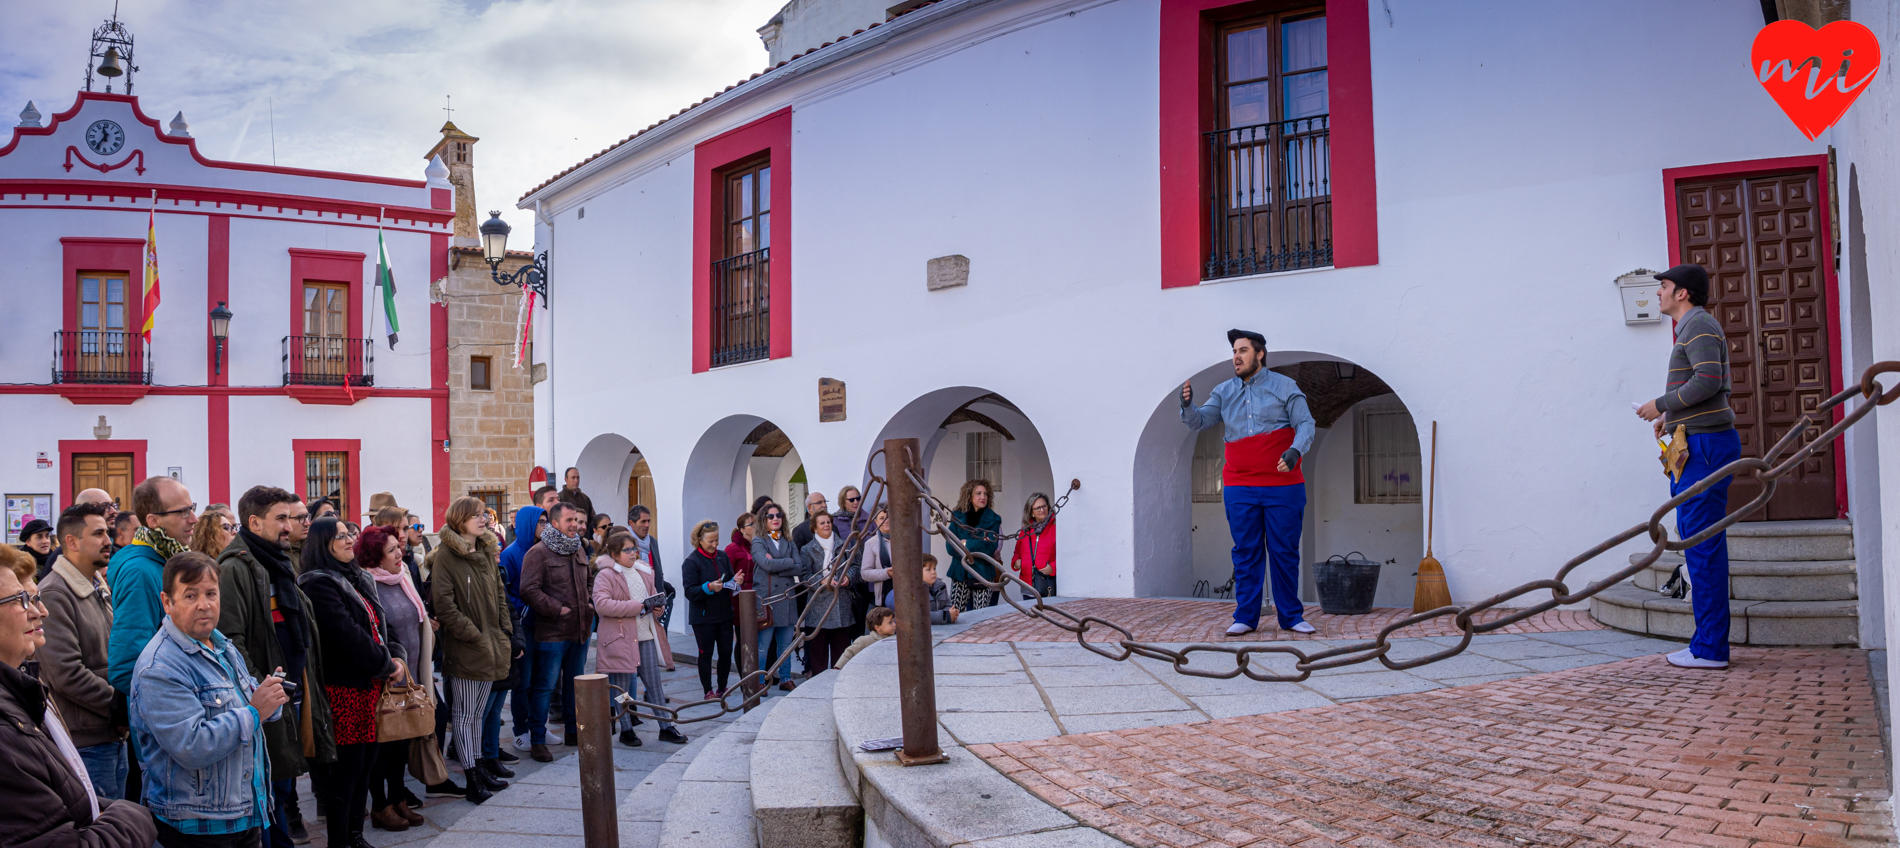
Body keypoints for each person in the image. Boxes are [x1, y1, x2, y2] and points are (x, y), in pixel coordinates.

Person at [0, 548, 158, 847]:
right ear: (73, 541)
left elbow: (71, 799)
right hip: (92, 734)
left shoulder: (21, 691)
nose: (39, 611)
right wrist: (133, 815)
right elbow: (68, 672)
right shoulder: (7, 727)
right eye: (22, 600)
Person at [131, 551, 289, 848]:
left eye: (211, 593)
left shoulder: (220, 644)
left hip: (242, 810)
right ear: (167, 602)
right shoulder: (160, 667)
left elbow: (249, 702)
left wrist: (271, 697)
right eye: (190, 596)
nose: (204, 604)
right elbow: (192, 746)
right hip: (198, 825)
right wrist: (256, 711)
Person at [1635, 264, 1741, 670]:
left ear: (1682, 293)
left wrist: (1660, 404)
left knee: (1702, 546)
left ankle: (1711, 649)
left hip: (1705, 448)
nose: (1658, 293)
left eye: (1662, 286)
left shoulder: (1697, 324)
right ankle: (1704, 643)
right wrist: (1672, 418)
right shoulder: (1694, 325)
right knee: (1698, 545)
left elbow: (1709, 381)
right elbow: (1700, 388)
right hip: (1697, 441)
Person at [1182, 329, 1318, 636]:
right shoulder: (1224, 391)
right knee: (1246, 550)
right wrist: (1188, 407)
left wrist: (1296, 450)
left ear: (1260, 354)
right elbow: (1201, 421)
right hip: (1239, 485)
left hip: (1283, 485)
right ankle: (1245, 616)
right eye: (1234, 351)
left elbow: (1305, 423)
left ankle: (1292, 617)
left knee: (1284, 551)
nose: (1236, 357)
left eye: (1242, 350)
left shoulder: (1285, 386)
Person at [217, 487, 330, 848]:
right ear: (254, 522)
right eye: (280, 518)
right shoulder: (235, 567)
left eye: (289, 517)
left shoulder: (278, 559)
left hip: (290, 690)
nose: (288, 526)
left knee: (281, 781)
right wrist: (258, 691)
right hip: (265, 699)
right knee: (269, 788)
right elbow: (231, 638)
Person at [299, 518, 403, 848]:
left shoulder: (355, 576)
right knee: (347, 771)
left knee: (366, 765)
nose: (349, 541)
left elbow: (382, 621)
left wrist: (396, 655)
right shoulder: (317, 583)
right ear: (322, 544)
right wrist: (385, 664)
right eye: (340, 537)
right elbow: (347, 635)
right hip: (343, 688)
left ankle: (356, 836)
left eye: (348, 535)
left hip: (368, 684)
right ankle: (340, 842)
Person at [107, 475, 199, 805]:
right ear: (153, 521)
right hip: (162, 726)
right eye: (184, 511)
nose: (194, 518)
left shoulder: (163, 559)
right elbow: (126, 663)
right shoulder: (141, 570)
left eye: (193, 507)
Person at [38, 502, 127, 803]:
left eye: (107, 532)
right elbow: (65, 672)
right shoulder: (55, 593)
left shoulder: (95, 586)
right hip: (85, 742)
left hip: (110, 734)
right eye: (98, 533)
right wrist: (117, 704)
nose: (108, 540)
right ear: (72, 542)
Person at [428, 497, 512, 797]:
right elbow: (445, 605)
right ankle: (472, 778)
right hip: (467, 647)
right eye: (475, 515)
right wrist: (476, 635)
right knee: (464, 716)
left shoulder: (487, 551)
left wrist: (504, 630)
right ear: (459, 520)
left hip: (490, 643)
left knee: (477, 715)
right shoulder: (446, 556)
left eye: (484, 515)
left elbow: (499, 593)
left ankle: (479, 768)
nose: (483, 520)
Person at [360, 524, 439, 831]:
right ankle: (381, 805)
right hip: (386, 675)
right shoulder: (368, 582)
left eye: (399, 547)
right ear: (375, 554)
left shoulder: (403, 575)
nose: (400, 552)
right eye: (392, 549)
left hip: (412, 670)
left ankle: (398, 798)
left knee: (404, 740)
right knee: (385, 744)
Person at [592, 532, 686, 747]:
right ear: (615, 554)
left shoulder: (644, 572)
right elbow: (602, 605)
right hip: (621, 639)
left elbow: (652, 597)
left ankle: (666, 726)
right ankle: (626, 729)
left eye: (634, 549)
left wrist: (657, 607)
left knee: (654, 685)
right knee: (622, 689)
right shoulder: (606, 575)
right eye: (627, 550)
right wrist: (638, 607)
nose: (633, 553)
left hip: (645, 636)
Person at [520, 502, 593, 762]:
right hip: (552, 634)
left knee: (577, 686)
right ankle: (538, 740)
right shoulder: (538, 553)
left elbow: (589, 580)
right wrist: (556, 609)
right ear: (554, 523)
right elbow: (528, 590)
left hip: (580, 631)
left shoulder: (579, 548)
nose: (575, 524)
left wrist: (590, 602)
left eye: (576, 519)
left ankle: (574, 732)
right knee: (545, 687)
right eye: (569, 520)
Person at [498, 505, 544, 754]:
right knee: (523, 682)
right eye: (541, 522)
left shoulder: (544, 551)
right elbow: (505, 592)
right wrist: (526, 608)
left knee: (541, 681)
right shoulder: (510, 554)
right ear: (528, 524)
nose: (545, 527)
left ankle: (539, 728)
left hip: (543, 625)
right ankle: (520, 731)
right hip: (523, 625)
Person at [682, 520, 736, 699]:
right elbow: (690, 591)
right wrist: (709, 588)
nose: (714, 545)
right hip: (703, 617)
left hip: (724, 614)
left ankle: (722, 687)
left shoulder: (722, 556)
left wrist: (736, 582)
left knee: (726, 653)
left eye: (717, 540)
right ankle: (708, 690)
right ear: (699, 540)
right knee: (706, 654)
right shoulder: (691, 562)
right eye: (710, 541)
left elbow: (728, 580)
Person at [750, 503, 800, 691]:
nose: (775, 519)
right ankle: (759, 681)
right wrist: (788, 562)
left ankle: (785, 678)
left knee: (786, 644)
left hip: (787, 599)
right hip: (767, 600)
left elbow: (799, 567)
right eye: (770, 516)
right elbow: (765, 564)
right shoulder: (758, 541)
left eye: (778, 515)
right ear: (763, 520)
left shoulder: (789, 540)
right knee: (763, 645)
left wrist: (777, 563)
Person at [798, 513, 857, 673]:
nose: (826, 525)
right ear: (814, 527)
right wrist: (821, 581)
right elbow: (804, 575)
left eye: (829, 522)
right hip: (818, 607)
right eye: (822, 523)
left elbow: (855, 567)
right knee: (818, 653)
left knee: (841, 653)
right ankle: (818, 684)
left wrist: (848, 577)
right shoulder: (807, 549)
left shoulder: (844, 545)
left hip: (841, 605)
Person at [945, 480, 1003, 613]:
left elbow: (990, 548)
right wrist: (980, 543)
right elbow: (950, 547)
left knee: (980, 617)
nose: (983, 497)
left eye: (985, 494)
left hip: (982, 574)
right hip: (960, 573)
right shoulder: (957, 516)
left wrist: (965, 543)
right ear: (969, 495)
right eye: (978, 493)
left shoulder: (994, 519)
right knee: (955, 614)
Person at [626, 506, 674, 642]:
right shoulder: (624, 542)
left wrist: (660, 602)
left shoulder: (652, 542)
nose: (647, 525)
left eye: (648, 521)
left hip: (651, 603)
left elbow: (658, 573)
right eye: (643, 521)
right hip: (633, 605)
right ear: (631, 523)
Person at [1011, 493, 1058, 599]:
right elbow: (1017, 552)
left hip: (1047, 584)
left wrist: (1053, 567)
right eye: (1038, 508)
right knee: (1029, 614)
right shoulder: (1025, 530)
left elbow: (1065, 554)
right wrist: (1016, 562)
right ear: (1031, 512)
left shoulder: (1056, 527)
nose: (1042, 510)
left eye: (1044, 506)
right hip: (1027, 585)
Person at [854, 509, 894, 607]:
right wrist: (886, 573)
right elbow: (865, 573)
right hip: (883, 597)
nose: (886, 520)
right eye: (882, 518)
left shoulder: (905, 540)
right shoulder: (871, 543)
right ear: (876, 522)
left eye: (889, 517)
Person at [920, 556, 958, 625]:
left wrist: (952, 613)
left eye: (934, 568)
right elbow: (920, 615)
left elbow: (948, 605)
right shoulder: (915, 591)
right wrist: (946, 616)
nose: (933, 572)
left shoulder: (941, 586)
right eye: (928, 569)